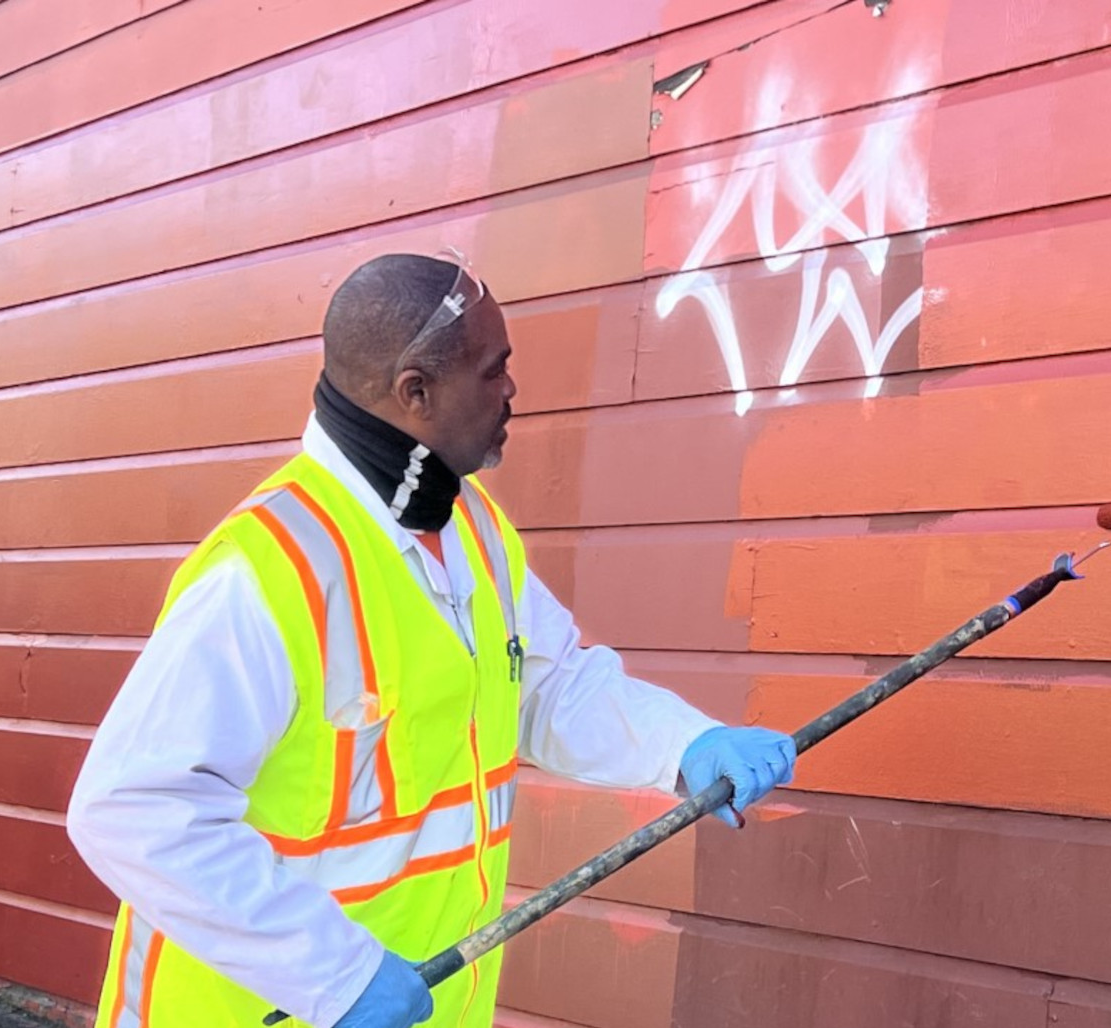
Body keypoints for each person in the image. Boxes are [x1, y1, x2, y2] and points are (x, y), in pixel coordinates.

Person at [66, 251, 797, 1027]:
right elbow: (132, 808)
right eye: (493, 369)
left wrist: (686, 743)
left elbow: (549, 686)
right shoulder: (267, 571)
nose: (512, 390)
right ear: (415, 391)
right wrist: (333, 974)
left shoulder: (471, 526)